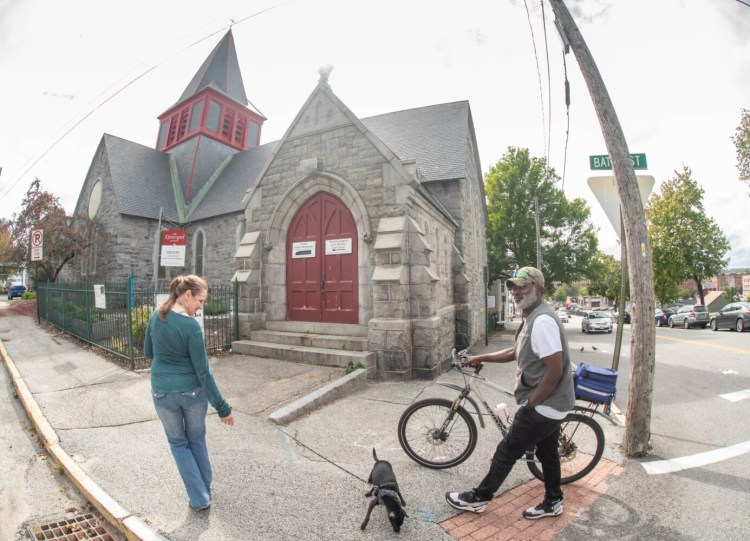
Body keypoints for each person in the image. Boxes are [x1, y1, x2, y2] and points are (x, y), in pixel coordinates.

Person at [446, 266, 575, 520]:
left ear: (537, 289)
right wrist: (478, 357)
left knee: (507, 451)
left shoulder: (542, 322)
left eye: (522, 286)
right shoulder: (531, 318)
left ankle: (479, 498)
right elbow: (514, 352)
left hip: (544, 405)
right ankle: (554, 500)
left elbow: (555, 370)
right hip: (551, 404)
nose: (516, 291)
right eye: (513, 287)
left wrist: (531, 406)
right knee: (547, 452)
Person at [144, 275, 234, 511]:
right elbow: (203, 371)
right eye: (200, 301)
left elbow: (148, 351)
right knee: (195, 439)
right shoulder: (191, 326)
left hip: (162, 393)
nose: (200, 306)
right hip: (191, 394)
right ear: (187, 295)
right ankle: (203, 492)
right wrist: (222, 407)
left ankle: (200, 496)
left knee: (178, 443)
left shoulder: (156, 316)